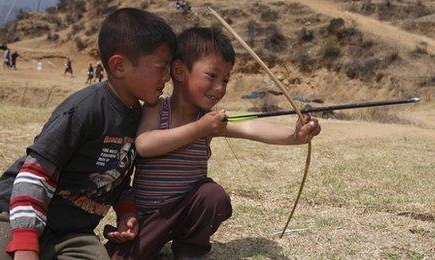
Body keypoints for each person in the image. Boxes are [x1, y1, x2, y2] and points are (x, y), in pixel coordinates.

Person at [0, 8, 176, 260]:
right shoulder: (85, 109)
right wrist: (26, 244)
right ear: (119, 66)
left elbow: (118, 177)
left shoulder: (139, 117)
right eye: (161, 67)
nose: (168, 76)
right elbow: (34, 175)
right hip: (16, 215)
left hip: (71, 232)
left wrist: (126, 212)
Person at [105, 27, 321, 259]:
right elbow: (145, 145)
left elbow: (251, 127)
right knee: (119, 257)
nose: (220, 88)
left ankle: (191, 249)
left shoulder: (209, 122)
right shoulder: (157, 109)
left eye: (226, 79)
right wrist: (200, 129)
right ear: (179, 71)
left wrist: (294, 136)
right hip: (152, 218)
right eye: (212, 76)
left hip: (189, 211)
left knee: (212, 195)